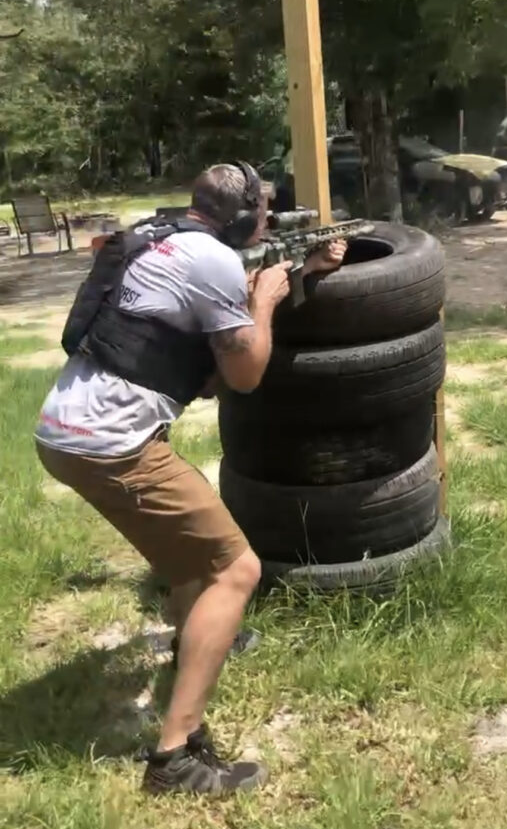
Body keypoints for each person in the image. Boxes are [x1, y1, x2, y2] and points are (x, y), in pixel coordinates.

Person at [35, 162, 347, 796]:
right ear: (245, 217)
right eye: (263, 214)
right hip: (114, 446)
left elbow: (195, 339)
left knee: (190, 560)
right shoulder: (217, 262)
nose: (267, 223)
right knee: (236, 570)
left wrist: (305, 271)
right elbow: (244, 375)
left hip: (63, 430)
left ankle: (196, 640)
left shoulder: (157, 237)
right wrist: (264, 300)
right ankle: (175, 758)